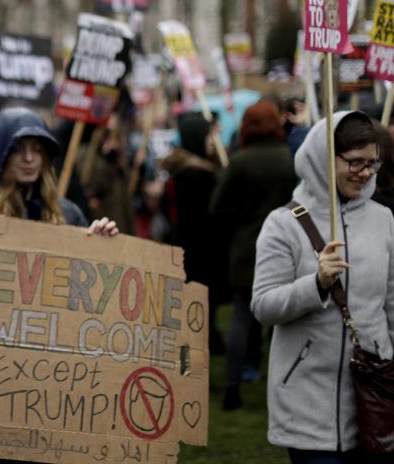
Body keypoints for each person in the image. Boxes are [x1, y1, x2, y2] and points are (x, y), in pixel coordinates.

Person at [253, 111, 394, 463]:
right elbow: (263, 305)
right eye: (354, 162)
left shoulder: (384, 219)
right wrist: (315, 285)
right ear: (323, 157)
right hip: (306, 401)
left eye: (372, 164)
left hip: (375, 396)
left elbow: (391, 301)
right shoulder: (282, 224)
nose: (364, 173)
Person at [0, 107, 118, 317]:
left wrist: (98, 247)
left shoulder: (69, 214)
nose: (28, 158)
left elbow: (85, 293)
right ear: (1, 152)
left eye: (37, 149)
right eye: (18, 149)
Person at [209, 100, 296, 410]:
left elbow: (217, 207)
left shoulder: (239, 161)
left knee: (242, 318)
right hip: (285, 249)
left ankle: (233, 387)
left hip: (247, 250)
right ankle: (282, 387)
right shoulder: (289, 159)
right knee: (282, 322)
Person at [162, 112, 225, 354]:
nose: (211, 140)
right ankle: (203, 343)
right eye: (207, 134)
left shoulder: (185, 169)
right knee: (202, 295)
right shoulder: (197, 175)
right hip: (200, 245)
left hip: (187, 243)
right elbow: (206, 215)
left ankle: (207, 339)